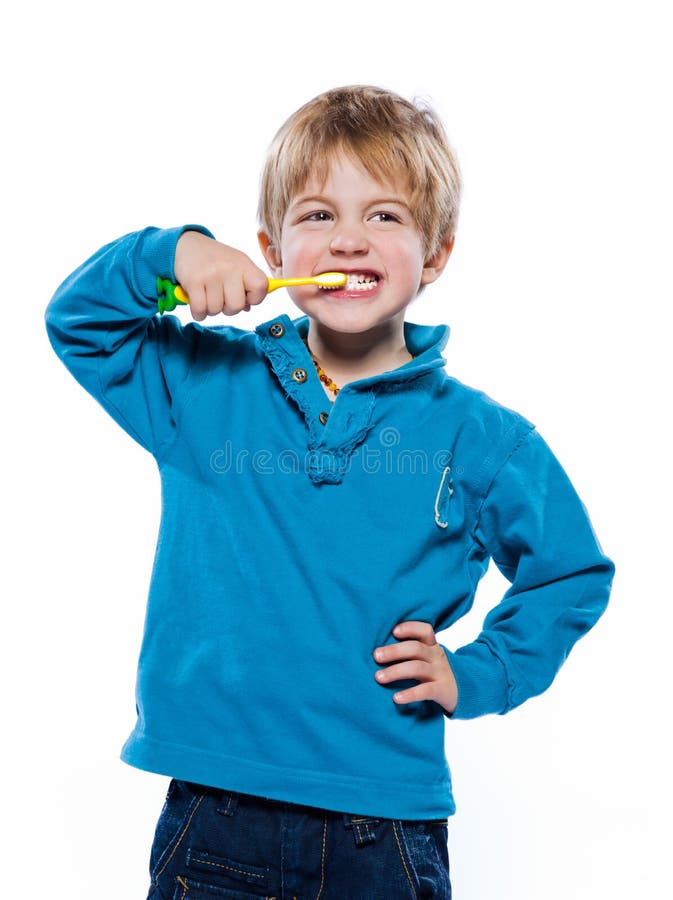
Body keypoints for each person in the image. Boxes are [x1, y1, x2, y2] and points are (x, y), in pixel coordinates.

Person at [45, 85, 614, 899]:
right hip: (214, 814)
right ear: (271, 248)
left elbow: (569, 572)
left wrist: (480, 673)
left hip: (381, 831)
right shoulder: (204, 387)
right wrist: (171, 254)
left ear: (437, 253)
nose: (349, 237)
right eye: (317, 216)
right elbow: (80, 321)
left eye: (384, 216)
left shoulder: (483, 439)